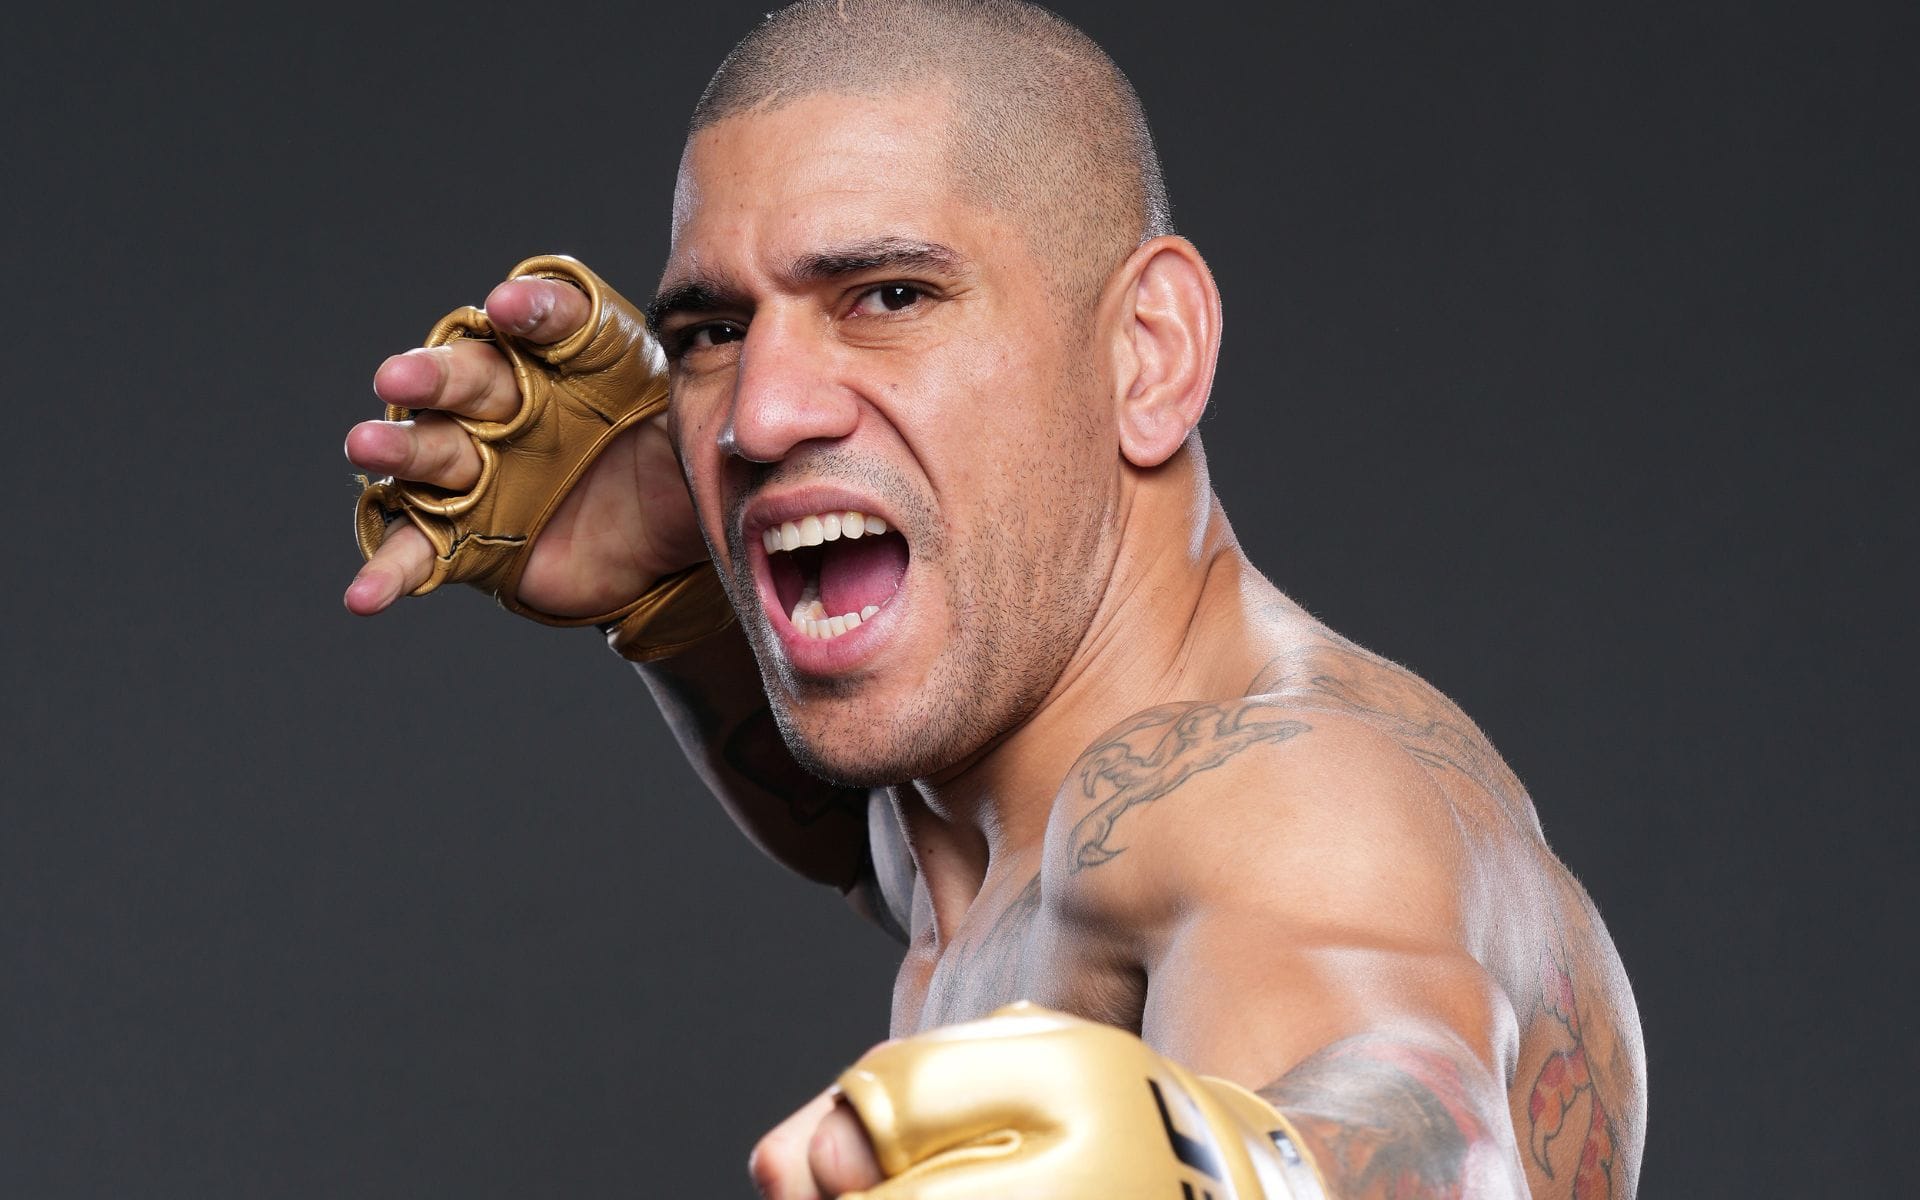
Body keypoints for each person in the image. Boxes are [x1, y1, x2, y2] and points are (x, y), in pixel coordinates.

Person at [343, 1, 1646, 1195]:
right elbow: (901, 860)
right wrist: (677, 592)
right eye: (711, 335)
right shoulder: (985, 812)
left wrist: (1226, 1174)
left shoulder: (1291, 798)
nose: (757, 414)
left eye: (890, 296)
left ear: (1149, 354)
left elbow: (1425, 1119)